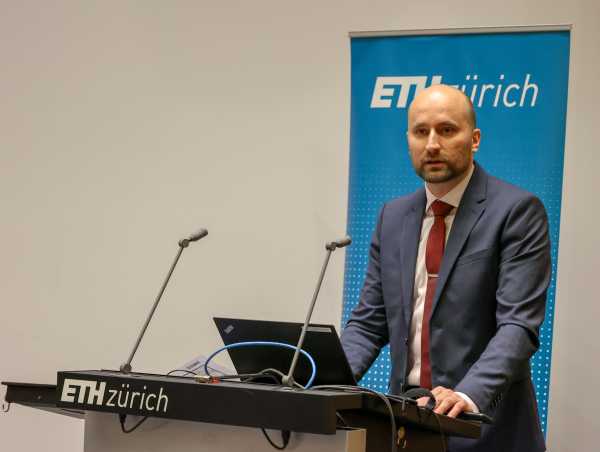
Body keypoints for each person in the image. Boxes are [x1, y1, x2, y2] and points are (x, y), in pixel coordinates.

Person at [340, 84, 550, 451]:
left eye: (447, 130)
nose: (432, 144)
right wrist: (323, 382)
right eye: (421, 132)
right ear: (408, 140)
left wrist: (468, 394)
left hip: (485, 429)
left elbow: (518, 326)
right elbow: (369, 322)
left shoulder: (517, 212)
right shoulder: (393, 217)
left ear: (475, 139)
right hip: (406, 427)